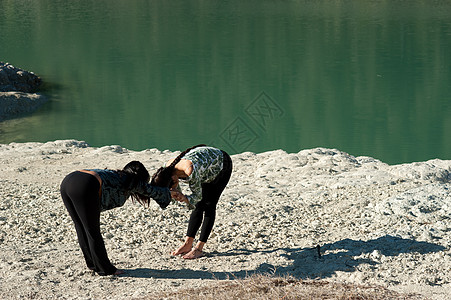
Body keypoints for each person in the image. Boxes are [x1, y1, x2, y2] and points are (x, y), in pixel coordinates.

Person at [60, 161, 178, 276]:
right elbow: (152, 191)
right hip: (86, 183)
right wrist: (169, 192)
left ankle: (93, 264)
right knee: (92, 231)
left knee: (81, 227)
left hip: (68, 181)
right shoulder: (132, 180)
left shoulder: (117, 176)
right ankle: (106, 269)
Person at [151, 145, 232, 259]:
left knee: (209, 205)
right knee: (198, 206)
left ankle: (199, 249)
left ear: (174, 179)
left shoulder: (190, 171)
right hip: (205, 167)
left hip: (222, 164)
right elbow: (173, 192)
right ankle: (187, 244)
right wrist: (176, 195)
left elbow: (196, 197)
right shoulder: (166, 169)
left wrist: (185, 198)